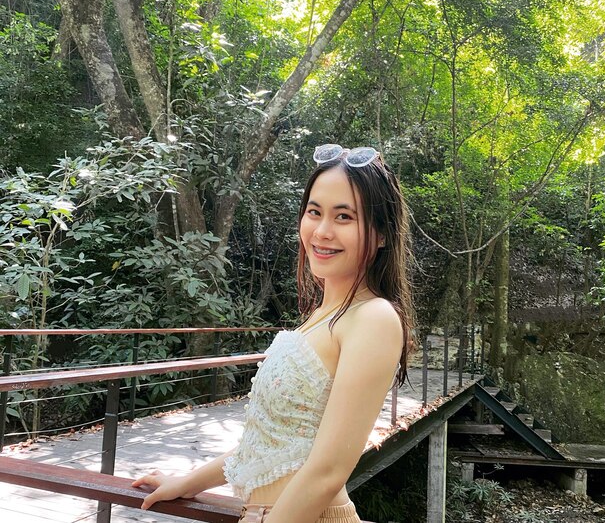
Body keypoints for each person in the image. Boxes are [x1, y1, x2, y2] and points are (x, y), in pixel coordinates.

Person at [132, 144, 414, 523]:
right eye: (314, 212)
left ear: (381, 235)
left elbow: (327, 472)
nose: (322, 231)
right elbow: (271, 448)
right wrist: (189, 482)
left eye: (344, 216)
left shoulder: (372, 317)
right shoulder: (320, 316)